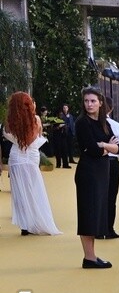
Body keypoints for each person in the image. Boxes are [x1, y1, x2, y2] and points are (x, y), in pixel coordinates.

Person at [74, 86, 119, 268]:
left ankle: (91, 256)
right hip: (88, 173)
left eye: (93, 101)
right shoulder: (82, 122)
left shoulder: (104, 123)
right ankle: (89, 257)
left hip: (101, 173)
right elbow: (91, 149)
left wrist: (103, 145)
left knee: (96, 214)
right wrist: (105, 147)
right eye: (86, 101)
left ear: (100, 103)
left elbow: (118, 147)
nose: (89, 104)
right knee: (88, 214)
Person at [3, 92, 62, 236]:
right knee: (34, 188)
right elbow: (35, 137)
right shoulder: (35, 120)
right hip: (31, 156)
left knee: (19, 191)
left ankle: (24, 225)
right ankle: (36, 220)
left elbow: (10, 136)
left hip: (16, 157)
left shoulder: (9, 122)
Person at [99, 96, 119, 239]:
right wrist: (111, 147)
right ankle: (109, 229)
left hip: (99, 161)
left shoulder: (92, 124)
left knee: (98, 196)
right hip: (112, 162)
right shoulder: (115, 125)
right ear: (112, 108)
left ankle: (98, 229)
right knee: (111, 197)